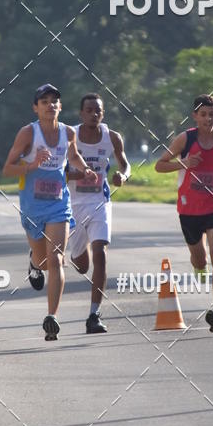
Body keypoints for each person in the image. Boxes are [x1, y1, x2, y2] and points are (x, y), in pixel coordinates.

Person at [2, 84, 98, 341]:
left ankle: (52, 317)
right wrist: (32, 164)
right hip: (32, 206)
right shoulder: (28, 133)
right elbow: (7, 169)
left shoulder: (68, 132)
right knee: (44, 262)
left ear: (60, 106)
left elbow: (74, 156)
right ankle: (34, 262)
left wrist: (85, 168)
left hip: (58, 205)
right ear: (36, 107)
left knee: (56, 259)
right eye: (44, 101)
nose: (50, 105)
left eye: (54, 100)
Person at [154, 94, 213, 333]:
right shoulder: (185, 139)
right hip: (189, 208)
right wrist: (184, 163)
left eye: (212, 114)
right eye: (203, 114)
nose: (208, 118)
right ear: (195, 116)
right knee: (200, 259)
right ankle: (198, 267)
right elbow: (159, 165)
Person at [68, 93, 131, 333]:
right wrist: (80, 174)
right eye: (89, 110)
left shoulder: (112, 137)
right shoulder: (69, 137)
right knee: (82, 265)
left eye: (98, 111)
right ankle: (73, 254)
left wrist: (122, 176)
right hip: (73, 204)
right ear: (81, 113)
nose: (94, 114)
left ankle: (94, 315)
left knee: (101, 252)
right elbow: (57, 174)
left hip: (99, 201)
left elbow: (124, 164)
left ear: (102, 114)